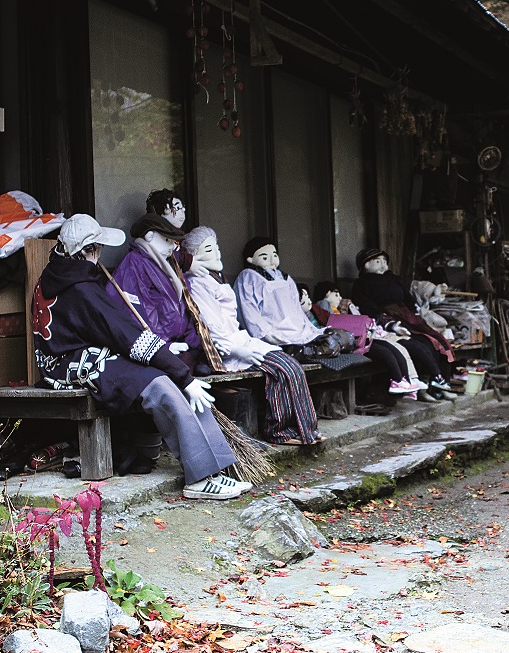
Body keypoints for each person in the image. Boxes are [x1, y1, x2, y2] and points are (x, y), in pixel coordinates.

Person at [32, 214, 252, 501]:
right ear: (88, 251)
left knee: (159, 375)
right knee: (159, 383)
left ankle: (210, 467)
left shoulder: (60, 274)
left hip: (71, 359)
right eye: (97, 248)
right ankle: (200, 477)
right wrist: (184, 377)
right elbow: (125, 335)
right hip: (69, 366)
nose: (100, 254)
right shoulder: (79, 288)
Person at [179, 226, 324, 445]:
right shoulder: (198, 283)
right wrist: (238, 350)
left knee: (290, 366)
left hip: (239, 339)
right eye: (208, 249)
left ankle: (302, 430)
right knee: (283, 368)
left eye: (216, 247)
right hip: (226, 349)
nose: (217, 253)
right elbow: (210, 326)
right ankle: (281, 431)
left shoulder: (215, 278)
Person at [351, 248, 455, 400]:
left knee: (435, 340)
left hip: (407, 316)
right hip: (385, 319)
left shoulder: (393, 278)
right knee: (416, 344)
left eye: (385, 262)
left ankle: (439, 383)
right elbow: (367, 308)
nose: (382, 265)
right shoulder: (361, 284)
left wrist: (415, 313)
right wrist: (388, 322)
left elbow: (407, 297)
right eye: (377, 261)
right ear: (365, 265)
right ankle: (422, 388)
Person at [108, 213, 204, 375]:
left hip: (175, 343)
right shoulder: (134, 263)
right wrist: (161, 345)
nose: (173, 247)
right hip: (155, 347)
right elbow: (135, 311)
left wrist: (193, 340)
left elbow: (184, 306)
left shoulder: (165, 264)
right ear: (150, 236)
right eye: (167, 240)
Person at [309, 280, 428, 399]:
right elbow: (332, 324)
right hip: (349, 342)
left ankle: (405, 380)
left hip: (354, 339)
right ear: (327, 293)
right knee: (386, 350)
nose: (339, 298)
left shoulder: (337, 308)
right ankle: (400, 380)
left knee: (390, 348)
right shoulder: (323, 304)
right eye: (336, 294)